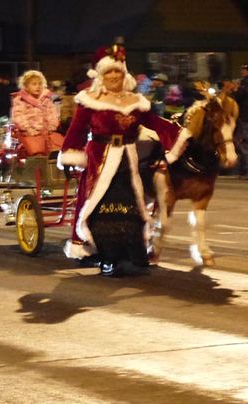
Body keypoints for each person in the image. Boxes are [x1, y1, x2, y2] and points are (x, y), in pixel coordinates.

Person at [58, 45, 191, 277]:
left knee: (131, 206)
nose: (113, 76)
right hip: (99, 158)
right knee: (97, 205)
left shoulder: (135, 100)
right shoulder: (89, 100)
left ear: (124, 74)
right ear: (100, 75)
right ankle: (102, 254)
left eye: (117, 72)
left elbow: (155, 123)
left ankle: (133, 253)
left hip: (128, 159)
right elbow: (77, 130)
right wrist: (69, 154)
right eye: (108, 72)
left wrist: (180, 135)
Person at [10, 70, 64, 156]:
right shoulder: (20, 100)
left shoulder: (47, 99)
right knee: (36, 151)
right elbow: (18, 116)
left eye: (39, 84)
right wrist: (29, 129)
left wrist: (51, 126)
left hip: (47, 133)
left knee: (59, 149)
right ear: (26, 86)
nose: (38, 87)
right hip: (30, 134)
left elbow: (53, 113)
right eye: (34, 84)